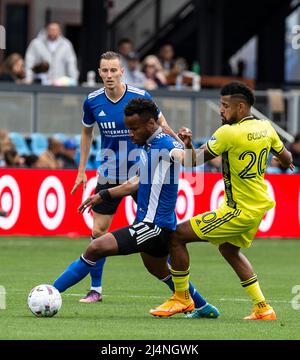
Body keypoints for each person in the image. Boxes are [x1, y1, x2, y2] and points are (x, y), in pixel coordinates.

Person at [53, 98, 219, 318]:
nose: (130, 134)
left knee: (95, 247)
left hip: (154, 226)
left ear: (150, 124)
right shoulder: (148, 145)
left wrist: (187, 146)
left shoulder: (166, 144)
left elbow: (187, 160)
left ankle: (51, 292)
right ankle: (202, 306)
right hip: (151, 224)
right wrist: (103, 195)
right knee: (158, 269)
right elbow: (137, 182)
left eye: (133, 128)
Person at [150, 81, 293, 320]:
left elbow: (190, 162)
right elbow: (287, 156)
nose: (221, 110)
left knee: (176, 236)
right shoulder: (266, 128)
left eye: (225, 106)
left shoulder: (228, 132)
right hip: (258, 206)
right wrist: (286, 162)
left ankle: (182, 298)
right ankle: (262, 307)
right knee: (229, 249)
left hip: (238, 210)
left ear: (240, 107)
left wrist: (177, 140)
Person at [72, 50, 185, 303]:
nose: (109, 75)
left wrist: (182, 146)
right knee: (98, 231)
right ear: (99, 72)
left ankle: (182, 291)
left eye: (114, 70)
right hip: (111, 172)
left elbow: (162, 125)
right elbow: (86, 134)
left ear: (122, 71)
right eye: (105, 71)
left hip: (142, 172)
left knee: (160, 234)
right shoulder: (92, 101)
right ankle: (96, 290)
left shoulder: (140, 97)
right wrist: (81, 170)